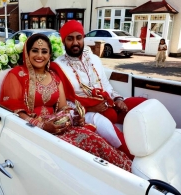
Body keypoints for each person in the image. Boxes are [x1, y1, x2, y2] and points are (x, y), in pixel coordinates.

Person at [0, 33, 132, 171]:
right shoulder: (17, 74)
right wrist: (42, 126)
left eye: (44, 51)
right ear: (27, 53)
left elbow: (63, 107)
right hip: (32, 130)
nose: (40, 55)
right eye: (35, 50)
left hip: (58, 126)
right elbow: (14, 109)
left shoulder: (54, 77)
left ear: (49, 55)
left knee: (95, 140)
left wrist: (75, 117)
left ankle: (127, 172)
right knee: (80, 152)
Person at [51, 20, 147, 160]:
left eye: (78, 37)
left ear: (83, 38)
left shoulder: (94, 59)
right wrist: (91, 109)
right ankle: (135, 160)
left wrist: (118, 99)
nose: (75, 43)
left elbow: (105, 85)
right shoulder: (57, 67)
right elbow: (63, 105)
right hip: (86, 113)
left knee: (143, 104)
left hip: (107, 103)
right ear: (63, 41)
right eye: (70, 39)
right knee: (107, 126)